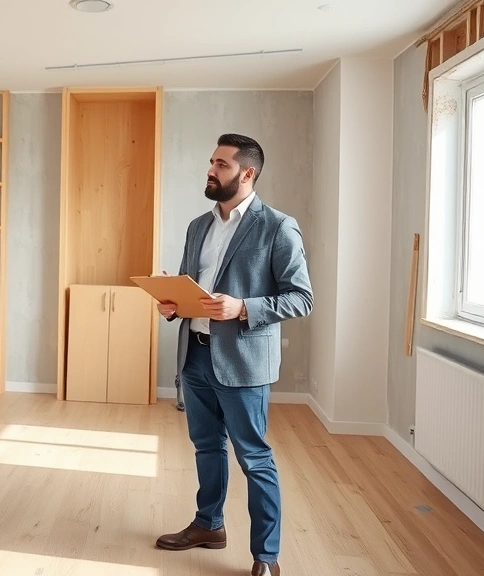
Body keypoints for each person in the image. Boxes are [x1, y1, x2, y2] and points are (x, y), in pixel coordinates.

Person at [155, 133, 313, 576]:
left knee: (254, 458)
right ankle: (209, 525)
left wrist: (243, 307)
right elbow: (190, 288)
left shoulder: (278, 226)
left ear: (247, 173)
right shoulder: (198, 226)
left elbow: (301, 298)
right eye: (211, 161)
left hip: (244, 362)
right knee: (206, 446)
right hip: (195, 355)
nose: (210, 170)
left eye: (221, 164)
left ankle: (267, 557)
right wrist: (172, 304)